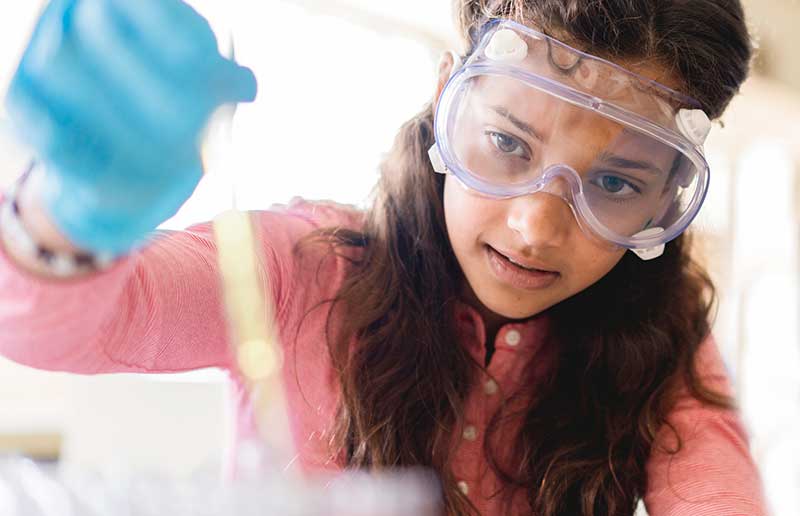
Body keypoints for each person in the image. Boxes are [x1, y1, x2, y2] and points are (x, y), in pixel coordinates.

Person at [0, 0, 767, 514]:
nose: (535, 226)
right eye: (507, 143)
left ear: (666, 198)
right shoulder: (302, 271)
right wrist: (67, 216)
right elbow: (57, 328)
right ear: (447, 100)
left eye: (614, 184)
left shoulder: (661, 342)